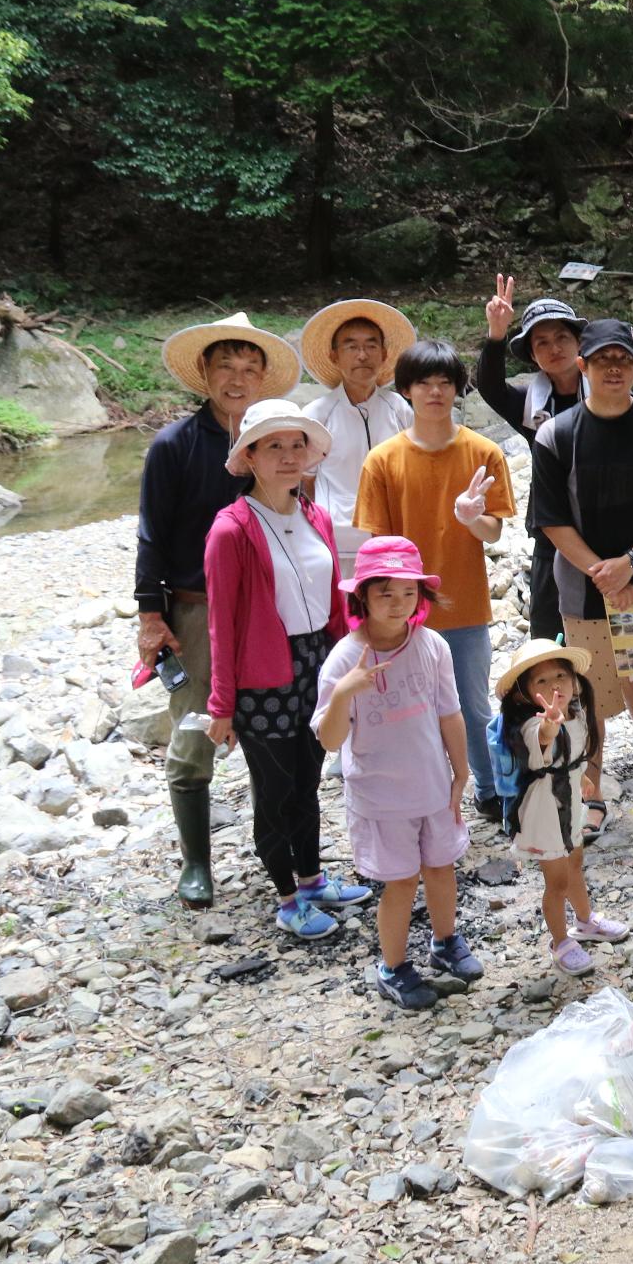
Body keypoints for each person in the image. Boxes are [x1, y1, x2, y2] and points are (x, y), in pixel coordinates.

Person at [138, 312, 300, 907]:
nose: (237, 379)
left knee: (270, 729)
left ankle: (279, 850)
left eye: (249, 368)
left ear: (263, 379)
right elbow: (151, 534)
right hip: (194, 609)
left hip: (268, 610)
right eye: (226, 367)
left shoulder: (276, 446)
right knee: (194, 732)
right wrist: (150, 616)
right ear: (204, 374)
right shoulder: (174, 446)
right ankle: (196, 862)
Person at [202, 401, 370, 937]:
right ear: (249, 456)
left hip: (316, 662)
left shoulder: (314, 514)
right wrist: (220, 707)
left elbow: (334, 599)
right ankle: (286, 895)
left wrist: (351, 660)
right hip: (262, 675)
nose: (289, 456)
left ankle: (314, 877)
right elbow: (220, 625)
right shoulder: (230, 530)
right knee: (274, 788)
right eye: (274, 446)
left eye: (297, 445)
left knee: (308, 777)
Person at [312, 536, 482, 1010]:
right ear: (361, 596)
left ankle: (446, 942)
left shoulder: (432, 646)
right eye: (384, 592)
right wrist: (345, 692)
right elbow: (328, 740)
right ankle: (393, 966)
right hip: (381, 799)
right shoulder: (346, 658)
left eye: (408, 592)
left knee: (442, 868)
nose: (398, 603)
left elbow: (450, 712)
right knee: (401, 882)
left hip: (433, 786)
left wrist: (461, 770)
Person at [354, 339, 515, 822]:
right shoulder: (382, 461)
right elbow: (378, 548)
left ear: (458, 389)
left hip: (465, 604)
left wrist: (470, 518)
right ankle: (419, 796)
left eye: (445, 382)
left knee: (473, 705)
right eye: (424, 382)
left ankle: (489, 790)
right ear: (405, 390)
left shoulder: (482, 453)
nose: (435, 392)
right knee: (406, 710)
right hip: (401, 612)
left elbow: (493, 530)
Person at [531, 319, 633, 776]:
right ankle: (593, 789)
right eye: (603, 358)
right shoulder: (557, 435)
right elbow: (551, 520)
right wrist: (602, 574)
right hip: (585, 590)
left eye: (624, 359)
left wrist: (630, 563)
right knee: (590, 697)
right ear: (582, 364)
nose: (614, 368)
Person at [496, 640, 631, 976]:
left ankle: (585, 921)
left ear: (574, 679)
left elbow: (572, 755)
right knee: (555, 880)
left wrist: (583, 779)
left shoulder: (578, 713)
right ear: (522, 694)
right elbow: (544, 737)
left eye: (560, 674)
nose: (554, 684)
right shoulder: (533, 724)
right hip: (543, 809)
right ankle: (560, 942)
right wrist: (550, 723)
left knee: (575, 860)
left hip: (568, 798)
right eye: (541, 681)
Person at [476, 278, 588, 641]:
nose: (553, 348)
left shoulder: (609, 394)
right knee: (548, 632)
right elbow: (491, 389)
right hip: (550, 532)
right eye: (542, 342)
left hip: (607, 527)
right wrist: (496, 335)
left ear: (579, 343)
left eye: (561, 338)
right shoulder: (533, 407)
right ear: (532, 355)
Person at [297, 299, 417, 574]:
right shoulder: (318, 414)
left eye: (371, 346)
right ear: (334, 356)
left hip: (392, 537)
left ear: (384, 354)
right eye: (351, 346)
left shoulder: (399, 408)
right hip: (335, 544)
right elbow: (306, 481)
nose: (362, 355)